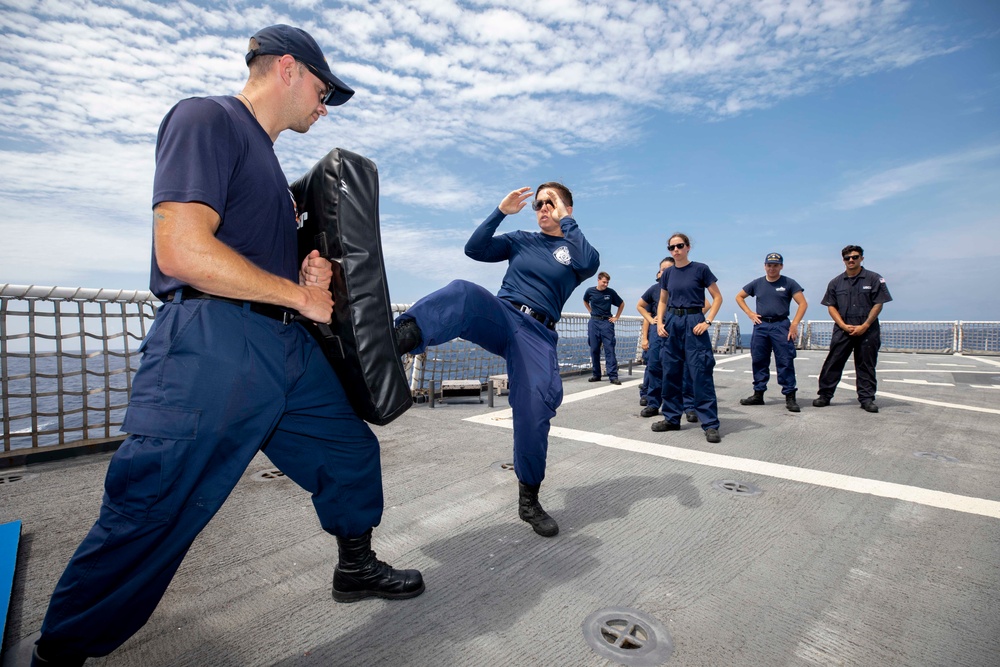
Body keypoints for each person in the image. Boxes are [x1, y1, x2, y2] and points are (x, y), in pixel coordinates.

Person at [32, 25, 423, 666]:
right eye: (325, 90)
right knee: (154, 504)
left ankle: (355, 566)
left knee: (350, 452)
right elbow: (182, 249)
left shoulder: (268, 165)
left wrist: (301, 280)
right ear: (289, 69)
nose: (325, 106)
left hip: (281, 348)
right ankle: (60, 651)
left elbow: (249, 257)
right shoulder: (206, 119)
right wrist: (298, 297)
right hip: (212, 343)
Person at [393, 183, 600, 538]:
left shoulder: (574, 249)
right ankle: (393, 342)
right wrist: (500, 212)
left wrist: (567, 221)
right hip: (501, 315)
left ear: (567, 207)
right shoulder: (521, 238)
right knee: (462, 291)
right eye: (538, 204)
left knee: (536, 405)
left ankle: (529, 499)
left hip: (536, 333)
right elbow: (474, 249)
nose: (541, 208)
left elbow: (589, 263)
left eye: (550, 202)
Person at [652, 234, 723, 443]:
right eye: (671, 247)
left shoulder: (700, 269)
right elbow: (663, 300)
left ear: (688, 247)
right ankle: (672, 418)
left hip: (694, 322)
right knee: (670, 372)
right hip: (673, 322)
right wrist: (660, 323)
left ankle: (710, 423)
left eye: (679, 246)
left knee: (700, 373)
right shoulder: (668, 274)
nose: (676, 250)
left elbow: (717, 297)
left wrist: (707, 321)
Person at [814, 245, 892, 412]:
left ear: (861, 258)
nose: (851, 260)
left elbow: (878, 304)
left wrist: (865, 325)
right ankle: (825, 395)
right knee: (833, 362)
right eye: (847, 258)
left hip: (867, 328)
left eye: (855, 257)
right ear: (843, 260)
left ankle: (866, 399)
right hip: (843, 328)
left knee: (866, 364)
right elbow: (831, 306)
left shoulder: (873, 279)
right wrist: (842, 325)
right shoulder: (835, 282)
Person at [735, 253, 808, 412]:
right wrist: (750, 314)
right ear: (764, 266)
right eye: (769, 265)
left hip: (781, 325)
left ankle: (790, 396)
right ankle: (758, 394)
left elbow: (802, 303)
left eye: (775, 265)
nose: (772, 268)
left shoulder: (789, 283)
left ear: (781, 266)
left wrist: (794, 324)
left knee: (785, 360)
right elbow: (739, 297)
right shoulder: (758, 283)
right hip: (761, 326)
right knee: (759, 360)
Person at [637, 258, 672, 406]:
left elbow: (705, 304)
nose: (664, 272)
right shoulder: (654, 290)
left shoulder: (682, 287)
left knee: (674, 366)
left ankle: (674, 399)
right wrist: (646, 337)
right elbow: (643, 309)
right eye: (662, 270)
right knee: (653, 365)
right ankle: (649, 396)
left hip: (674, 330)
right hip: (656, 331)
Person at [584, 272, 625, 384]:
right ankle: (596, 375)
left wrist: (616, 317)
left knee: (609, 349)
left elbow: (621, 303)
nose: (606, 284)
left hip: (606, 323)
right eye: (604, 282)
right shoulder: (590, 291)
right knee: (594, 349)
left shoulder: (610, 293)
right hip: (594, 322)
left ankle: (613, 376)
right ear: (598, 280)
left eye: (607, 282)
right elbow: (585, 301)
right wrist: (590, 311)